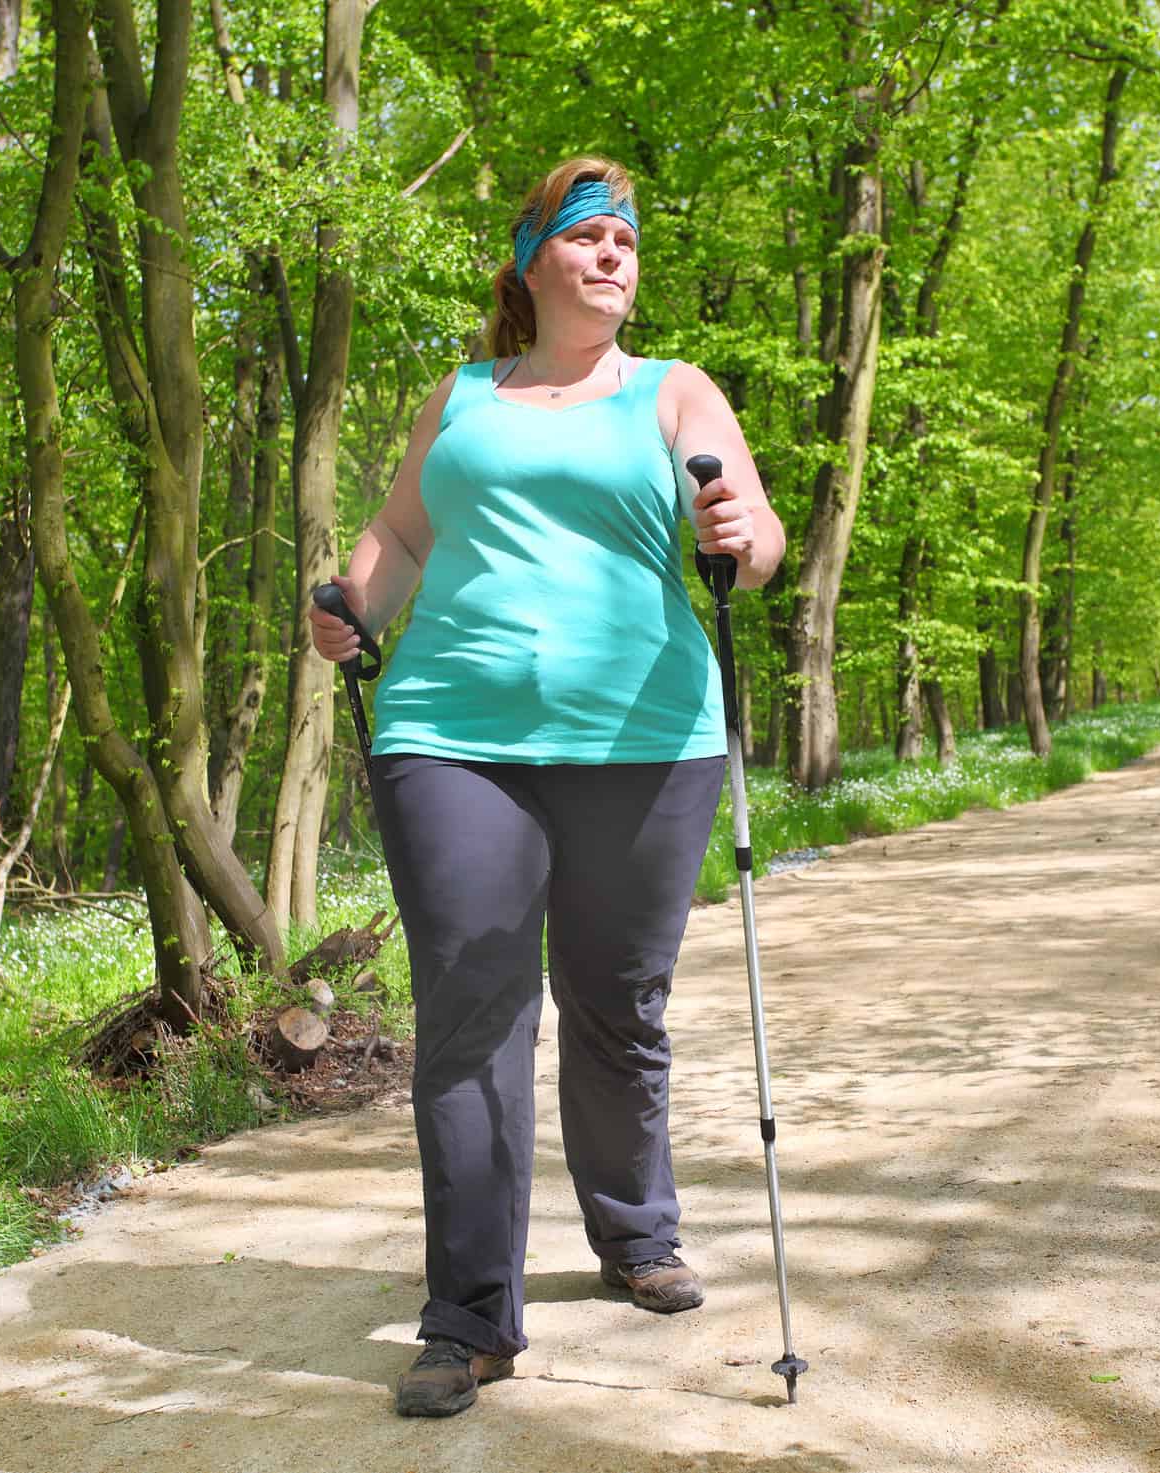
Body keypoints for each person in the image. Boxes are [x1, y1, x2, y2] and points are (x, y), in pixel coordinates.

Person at [307, 155, 785, 1418]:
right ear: (531, 263)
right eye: (586, 236)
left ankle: (634, 1235)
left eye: (627, 237)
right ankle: (466, 1316)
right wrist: (352, 605)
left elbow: (754, 530)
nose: (613, 254)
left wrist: (742, 539)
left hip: (644, 738)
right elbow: (403, 533)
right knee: (471, 1009)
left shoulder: (673, 392)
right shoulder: (460, 396)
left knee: (615, 1000)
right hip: (449, 731)